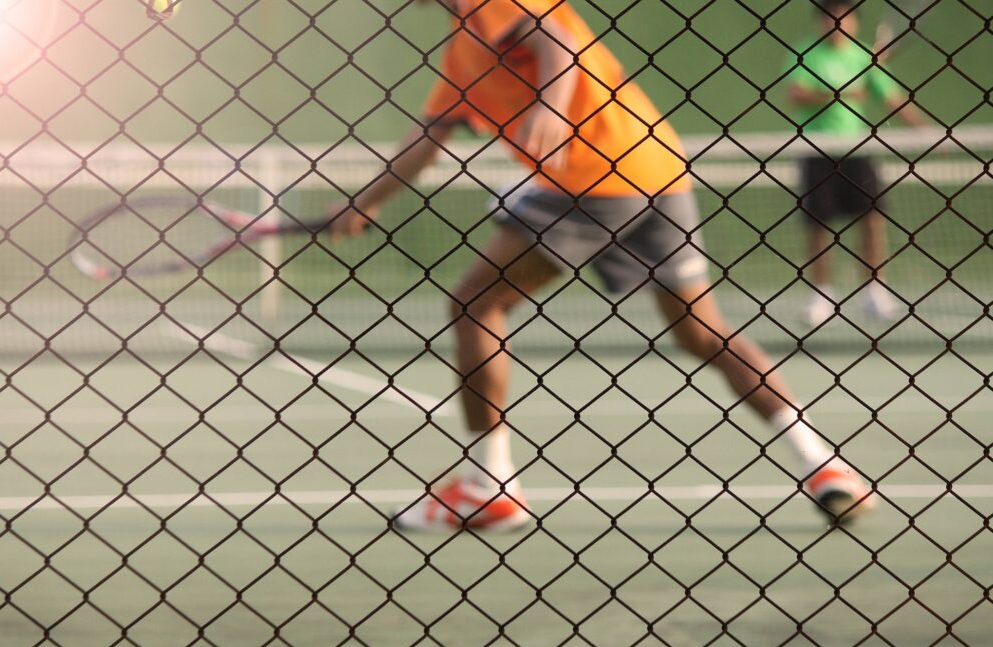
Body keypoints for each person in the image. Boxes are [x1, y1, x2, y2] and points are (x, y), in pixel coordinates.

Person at [327, 0, 875, 530]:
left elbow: (555, 44)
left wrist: (549, 106)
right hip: (658, 168)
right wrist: (365, 202)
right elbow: (429, 136)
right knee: (703, 333)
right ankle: (822, 462)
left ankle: (487, 488)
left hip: (589, 178)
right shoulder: (459, 54)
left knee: (476, 302)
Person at [788, 0, 924, 327]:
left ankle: (875, 291)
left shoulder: (867, 57)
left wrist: (925, 131)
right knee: (818, 227)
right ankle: (821, 294)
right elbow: (796, 94)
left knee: (873, 220)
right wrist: (841, 94)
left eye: (844, 17)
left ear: (854, 22)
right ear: (821, 21)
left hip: (858, 149)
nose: (837, 22)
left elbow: (891, 97)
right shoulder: (805, 53)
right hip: (817, 150)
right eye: (830, 17)